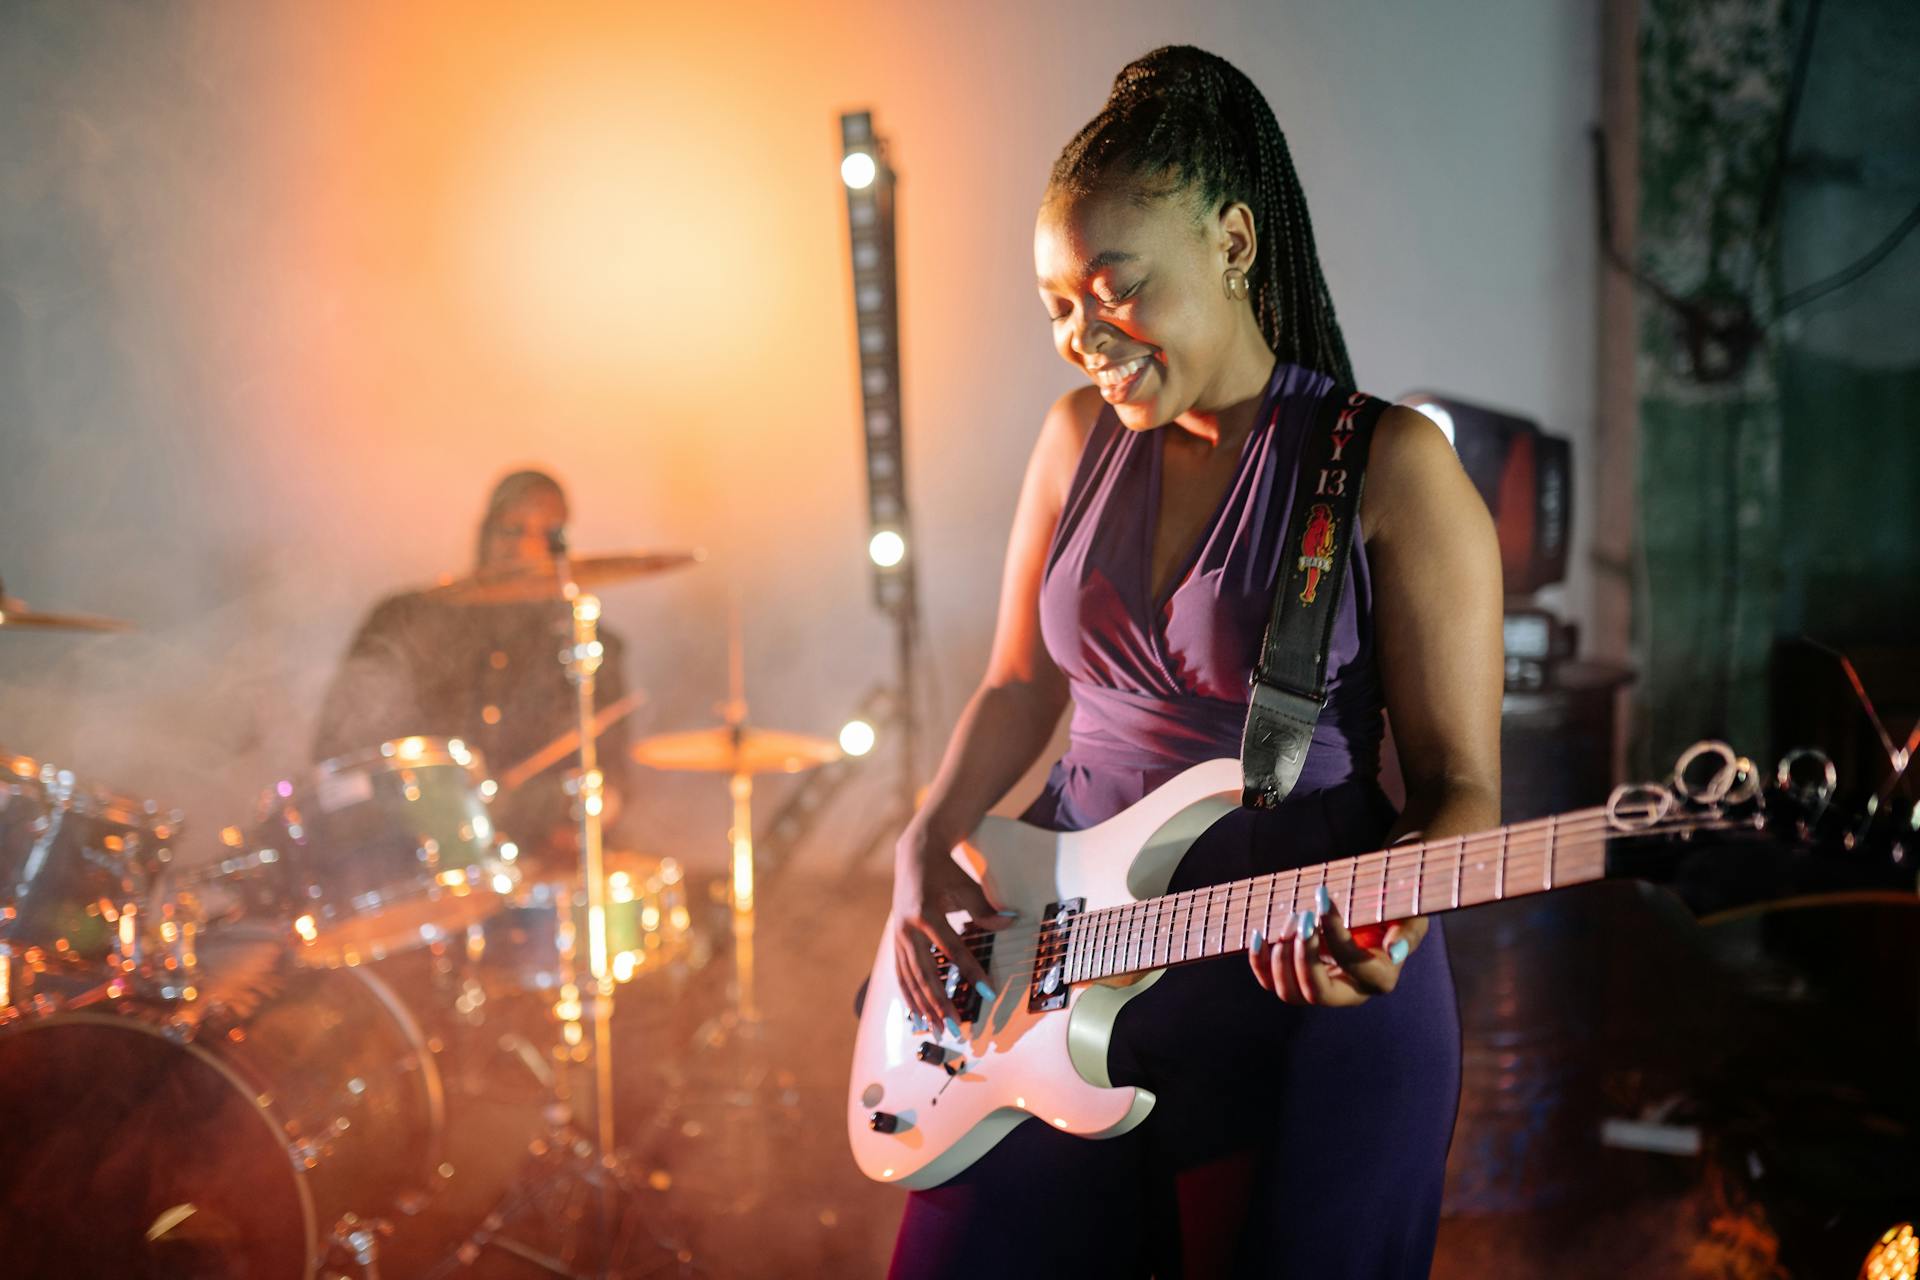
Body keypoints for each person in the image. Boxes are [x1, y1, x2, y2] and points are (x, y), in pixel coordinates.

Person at [886, 47, 1503, 1279]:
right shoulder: (1074, 442)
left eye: (1114, 290)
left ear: (1232, 242)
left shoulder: (1390, 468)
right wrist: (923, 839)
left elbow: (1463, 788)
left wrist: (1398, 911)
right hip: (1059, 954)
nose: (1079, 338)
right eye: (1058, 303)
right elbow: (1020, 685)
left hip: (1295, 980)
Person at [312, 469, 639, 872]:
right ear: (484, 533)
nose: (524, 547)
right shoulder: (407, 622)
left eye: (546, 533)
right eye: (512, 529)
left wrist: (595, 814)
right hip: (419, 867)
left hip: (542, 874)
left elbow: (615, 782)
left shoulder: (588, 645)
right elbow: (338, 761)